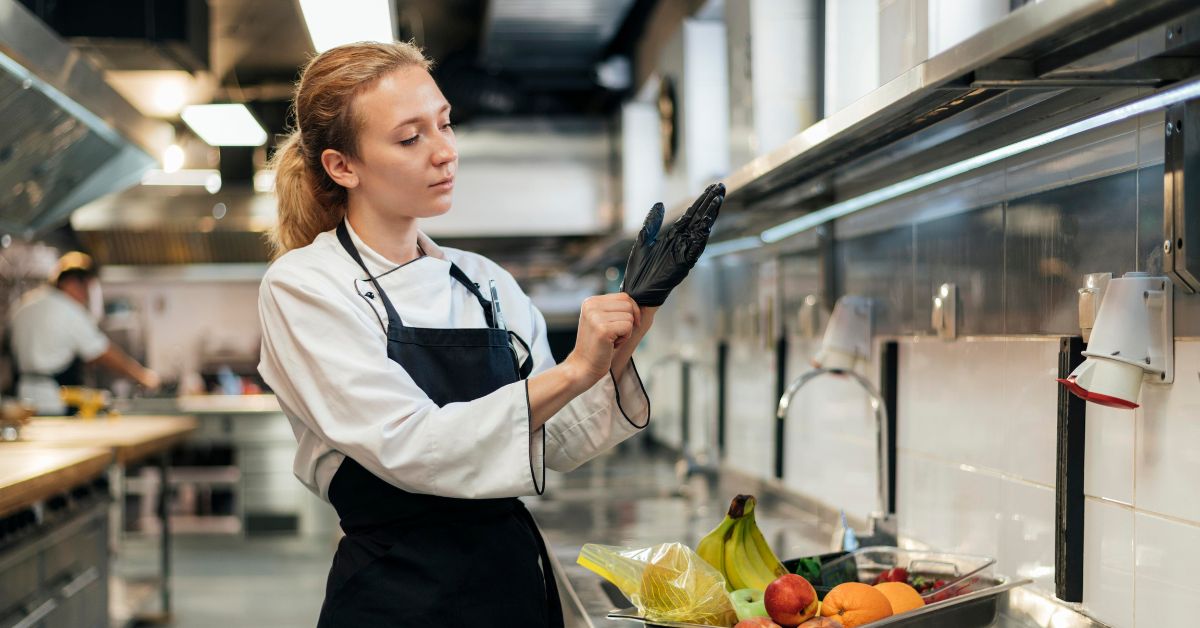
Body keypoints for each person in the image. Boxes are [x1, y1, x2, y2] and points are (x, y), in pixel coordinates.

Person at [257, 41, 670, 627]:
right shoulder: (305, 286)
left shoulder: (483, 281)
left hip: (511, 587)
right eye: (410, 138)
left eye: (445, 125)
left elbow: (552, 443)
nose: (445, 153)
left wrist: (617, 352)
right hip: (397, 598)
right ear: (341, 166)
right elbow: (409, 444)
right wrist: (574, 370)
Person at [9, 251, 160, 415]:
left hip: (22, 401)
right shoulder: (68, 309)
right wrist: (142, 376)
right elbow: (103, 352)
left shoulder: (23, 306)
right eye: (86, 289)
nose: (86, 297)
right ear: (71, 283)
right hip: (55, 401)